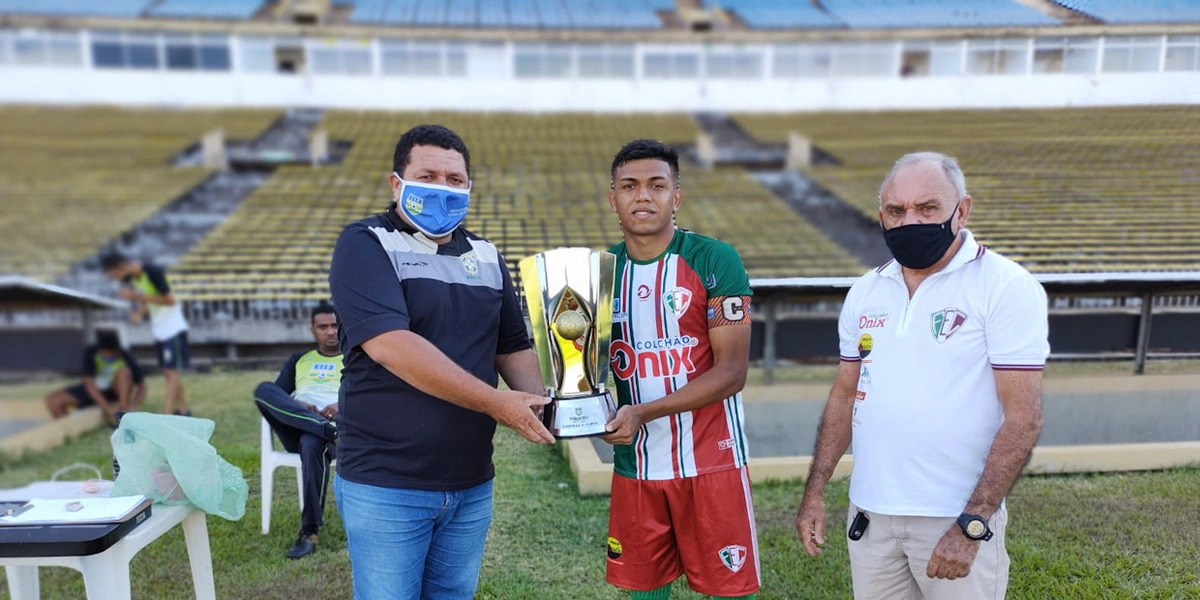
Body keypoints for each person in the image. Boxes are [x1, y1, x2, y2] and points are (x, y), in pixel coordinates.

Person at [795, 152, 1049, 599]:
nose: (910, 220)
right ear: (881, 218)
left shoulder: (1005, 286)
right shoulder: (866, 291)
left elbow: (1023, 418)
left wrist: (972, 524)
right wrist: (815, 491)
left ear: (961, 210)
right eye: (897, 211)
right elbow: (844, 396)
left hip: (953, 516)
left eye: (927, 208)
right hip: (871, 516)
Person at [328, 124, 554, 599]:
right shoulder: (365, 243)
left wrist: (553, 405)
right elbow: (392, 345)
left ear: (469, 187)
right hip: (387, 482)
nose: (443, 188)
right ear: (397, 183)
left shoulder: (487, 256)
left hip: (470, 481)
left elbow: (511, 346)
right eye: (428, 175)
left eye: (455, 180)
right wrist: (497, 403)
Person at [600, 139, 759, 600]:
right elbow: (586, 369)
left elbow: (732, 372)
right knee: (644, 590)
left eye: (657, 185)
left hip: (713, 461)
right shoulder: (601, 273)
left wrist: (644, 411)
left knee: (729, 591)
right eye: (629, 186)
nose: (643, 196)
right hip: (638, 463)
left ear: (676, 196)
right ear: (614, 199)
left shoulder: (714, 260)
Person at [253, 303, 342, 559]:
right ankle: (321, 428)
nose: (330, 332)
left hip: (337, 429)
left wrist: (340, 405)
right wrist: (299, 405)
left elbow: (366, 395)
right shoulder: (299, 360)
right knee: (263, 389)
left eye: (334, 325)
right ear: (313, 330)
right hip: (301, 424)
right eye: (323, 326)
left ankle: (309, 530)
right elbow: (277, 393)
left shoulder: (354, 357)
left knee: (314, 443)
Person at [101, 252, 192, 417]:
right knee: (169, 372)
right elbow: (151, 298)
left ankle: (167, 414)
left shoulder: (153, 272)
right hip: (160, 330)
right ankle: (183, 409)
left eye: (115, 275)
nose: (116, 280)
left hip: (173, 328)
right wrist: (139, 313)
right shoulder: (137, 279)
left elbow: (170, 300)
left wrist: (136, 296)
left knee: (170, 372)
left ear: (121, 267)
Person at [45, 328, 146, 422]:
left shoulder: (125, 355)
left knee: (124, 372)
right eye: (106, 354)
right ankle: (69, 428)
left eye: (112, 354)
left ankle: (123, 414)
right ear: (100, 349)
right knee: (53, 401)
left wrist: (134, 405)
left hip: (114, 391)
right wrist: (107, 407)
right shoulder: (90, 353)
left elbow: (141, 385)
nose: (109, 356)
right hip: (95, 392)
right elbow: (89, 383)